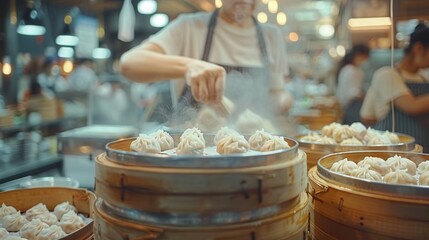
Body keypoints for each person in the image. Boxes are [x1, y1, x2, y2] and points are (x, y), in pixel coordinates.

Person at [119, 0, 292, 123]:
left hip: (254, 150)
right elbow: (129, 64)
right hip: (194, 153)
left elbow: (276, 93)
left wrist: (284, 100)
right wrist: (189, 66)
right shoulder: (190, 27)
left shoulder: (271, 36)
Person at [360, 22, 429, 152]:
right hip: (391, 154)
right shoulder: (387, 75)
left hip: (422, 151)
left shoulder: (424, 77)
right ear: (418, 48)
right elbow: (412, 106)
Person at [335, 44, 370, 125]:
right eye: (364, 58)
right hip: (351, 108)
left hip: (346, 107)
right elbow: (353, 93)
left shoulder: (348, 68)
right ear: (358, 55)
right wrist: (367, 97)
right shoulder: (352, 70)